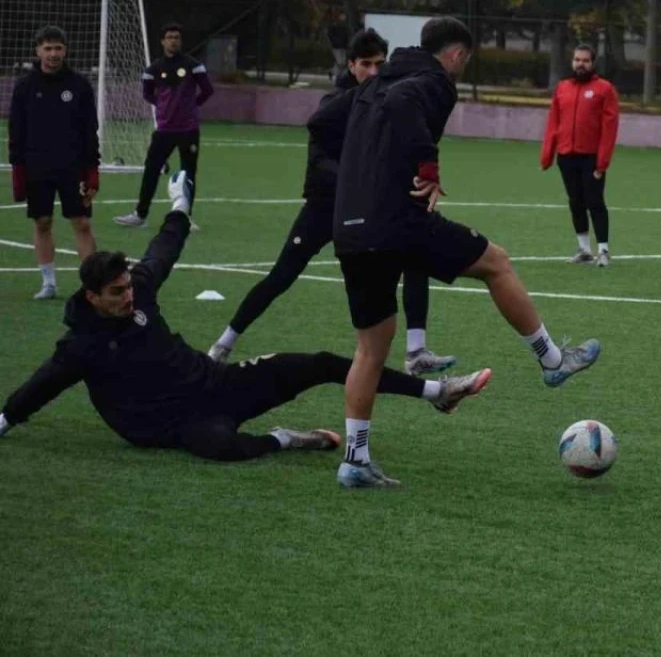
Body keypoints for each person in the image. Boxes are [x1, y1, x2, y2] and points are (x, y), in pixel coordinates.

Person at [0, 171, 491, 467]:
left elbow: (163, 250)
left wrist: (179, 205)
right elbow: (42, 385)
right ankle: (285, 439)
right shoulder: (81, 345)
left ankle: (437, 392)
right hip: (170, 427)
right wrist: (5, 418)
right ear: (91, 297)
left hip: (219, 384)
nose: (128, 296)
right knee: (221, 447)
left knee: (317, 363)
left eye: (128, 287)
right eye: (116, 293)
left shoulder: (139, 289)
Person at [326, 16, 601, 489]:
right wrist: (428, 165)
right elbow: (403, 103)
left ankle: (355, 460)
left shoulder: (374, 80)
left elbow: (325, 118)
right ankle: (553, 361)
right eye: (465, 60)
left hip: (349, 227)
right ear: (456, 55)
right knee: (496, 261)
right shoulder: (432, 80)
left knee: (370, 348)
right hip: (395, 221)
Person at [207, 30, 456, 375]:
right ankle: (224, 343)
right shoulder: (338, 103)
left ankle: (416, 352)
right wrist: (360, 181)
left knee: (416, 256)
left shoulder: (387, 98)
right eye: (365, 64)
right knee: (282, 275)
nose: (373, 71)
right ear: (351, 65)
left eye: (379, 64)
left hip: (370, 210)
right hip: (327, 207)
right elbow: (320, 160)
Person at [7, 25, 99, 300]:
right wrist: (18, 169)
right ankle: (49, 283)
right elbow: (16, 130)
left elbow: (89, 130)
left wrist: (92, 170)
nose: (53, 53)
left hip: (73, 166)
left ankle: (91, 287)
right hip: (37, 167)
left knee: (81, 223)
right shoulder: (25, 86)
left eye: (58, 47)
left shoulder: (79, 85)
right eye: (47, 48)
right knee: (43, 222)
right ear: (37, 51)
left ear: (65, 50)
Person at [114, 23, 214, 229]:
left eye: (177, 37)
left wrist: (192, 107)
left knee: (188, 172)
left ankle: (185, 217)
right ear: (162, 41)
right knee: (151, 169)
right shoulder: (153, 69)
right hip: (164, 129)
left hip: (188, 129)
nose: (173, 40)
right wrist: (162, 107)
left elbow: (207, 90)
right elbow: (147, 93)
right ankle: (140, 215)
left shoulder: (193, 65)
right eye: (169, 37)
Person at [539, 43, 620, 266]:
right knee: (575, 202)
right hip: (566, 155)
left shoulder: (605, 89)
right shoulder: (562, 87)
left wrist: (602, 162)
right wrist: (547, 154)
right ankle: (584, 249)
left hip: (591, 157)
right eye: (577, 60)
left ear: (593, 63)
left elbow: (609, 128)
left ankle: (603, 250)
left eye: (585, 60)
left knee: (595, 201)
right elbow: (553, 123)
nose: (580, 64)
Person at [327, 14, 350, 82]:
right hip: (336, 46)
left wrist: (346, 45)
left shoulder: (344, 26)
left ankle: (332, 72)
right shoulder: (334, 26)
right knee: (339, 62)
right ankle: (338, 76)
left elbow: (346, 36)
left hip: (343, 46)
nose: (343, 18)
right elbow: (331, 35)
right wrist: (334, 42)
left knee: (342, 62)